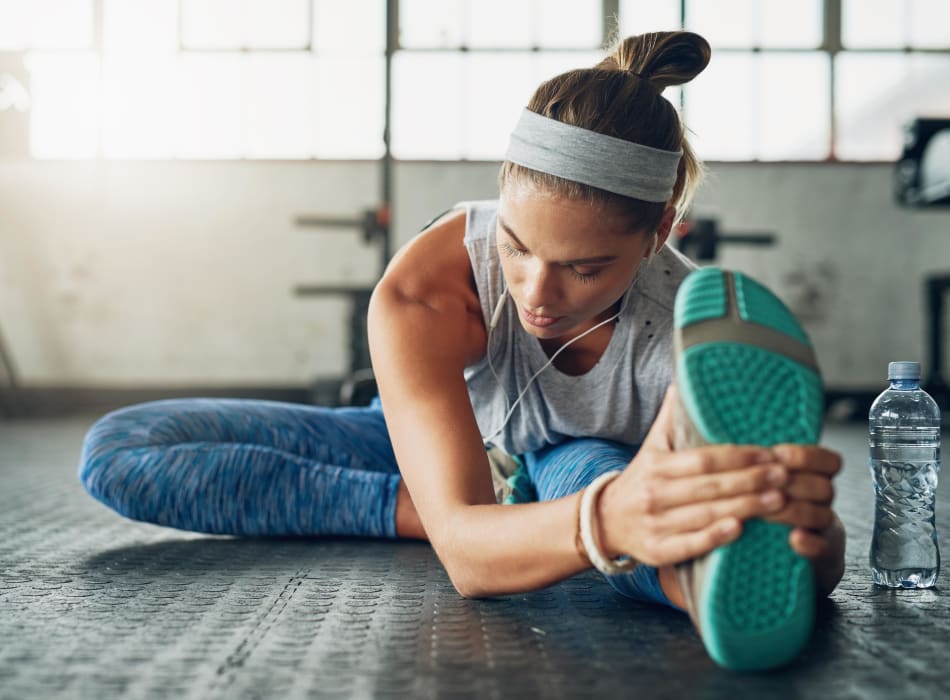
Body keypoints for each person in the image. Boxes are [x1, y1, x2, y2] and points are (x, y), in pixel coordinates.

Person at [78, 31, 845, 671]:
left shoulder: (687, 330)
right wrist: (471, 522)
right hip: (430, 445)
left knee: (623, 494)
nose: (538, 293)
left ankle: (686, 576)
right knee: (120, 450)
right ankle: (461, 513)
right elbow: (471, 564)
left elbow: (695, 510)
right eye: (516, 247)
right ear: (499, 201)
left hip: (583, 467)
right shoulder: (427, 285)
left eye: (586, 268)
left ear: (660, 227)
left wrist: (808, 537)